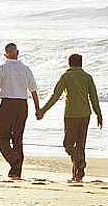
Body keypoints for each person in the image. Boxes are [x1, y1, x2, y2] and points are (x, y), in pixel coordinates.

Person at [36, 52, 103, 182]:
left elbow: (55, 96)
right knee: (80, 145)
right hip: (85, 114)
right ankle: (78, 173)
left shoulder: (66, 76)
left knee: (68, 144)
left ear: (69, 64)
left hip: (71, 114)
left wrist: (43, 110)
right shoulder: (87, 77)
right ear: (81, 63)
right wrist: (98, 114)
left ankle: (78, 162)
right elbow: (94, 98)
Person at [0, 43, 40, 179]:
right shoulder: (26, 69)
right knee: (17, 138)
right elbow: (33, 91)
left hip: (7, 104)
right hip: (22, 105)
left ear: (5, 55)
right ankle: (16, 171)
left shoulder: (2, 69)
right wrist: (37, 108)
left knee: (1, 137)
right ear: (18, 53)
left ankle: (14, 160)